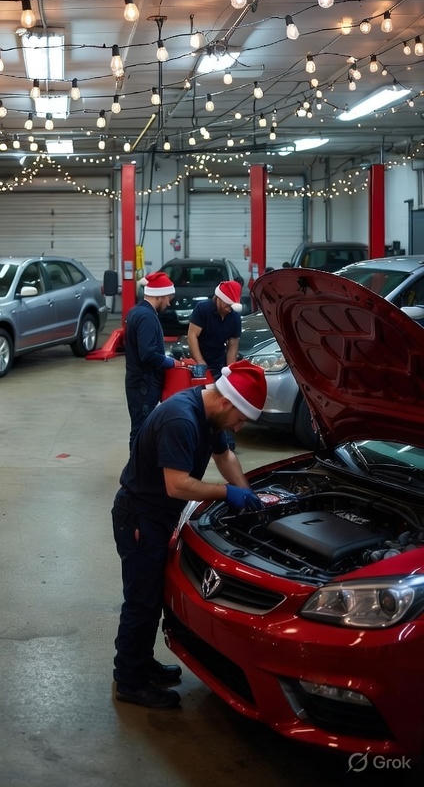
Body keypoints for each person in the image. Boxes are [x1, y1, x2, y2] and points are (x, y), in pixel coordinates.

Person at [111, 360, 267, 709]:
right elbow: (177, 485)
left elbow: (225, 456)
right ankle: (129, 680)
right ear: (227, 402)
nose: (239, 428)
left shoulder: (209, 410)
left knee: (153, 595)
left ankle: (142, 663)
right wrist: (228, 494)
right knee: (141, 600)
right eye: (241, 419)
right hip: (139, 517)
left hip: (157, 516)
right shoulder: (181, 419)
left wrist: (252, 498)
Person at [124, 272, 177, 450]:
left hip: (139, 383)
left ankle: (137, 473)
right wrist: (171, 363)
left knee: (141, 428)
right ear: (160, 295)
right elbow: (147, 354)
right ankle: (135, 475)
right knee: (141, 430)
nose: (169, 303)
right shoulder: (146, 317)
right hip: (143, 386)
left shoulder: (138, 311)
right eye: (168, 298)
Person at [187, 279, 243, 382]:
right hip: (198, 357)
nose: (229, 308)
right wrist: (200, 361)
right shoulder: (203, 309)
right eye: (227, 304)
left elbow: (232, 348)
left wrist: (230, 370)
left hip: (218, 361)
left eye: (232, 305)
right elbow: (192, 336)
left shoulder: (234, 317)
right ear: (219, 298)